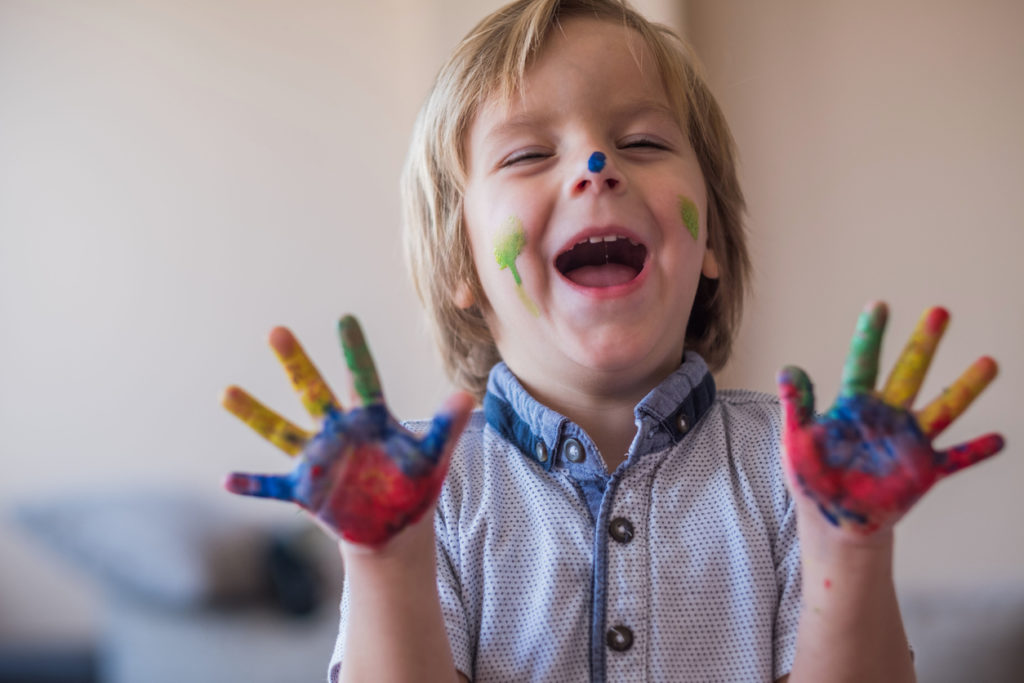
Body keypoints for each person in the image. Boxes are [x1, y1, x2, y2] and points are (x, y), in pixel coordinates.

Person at [221, 1, 1004, 681]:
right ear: (464, 262)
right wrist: (386, 557)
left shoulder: (792, 472)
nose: (595, 168)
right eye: (529, 154)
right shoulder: (428, 492)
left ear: (714, 242)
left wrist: (851, 550)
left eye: (644, 142)